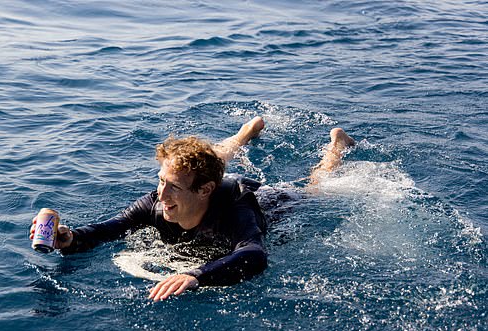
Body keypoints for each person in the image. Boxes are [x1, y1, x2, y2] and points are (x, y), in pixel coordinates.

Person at [30, 117, 355, 301]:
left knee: (316, 190)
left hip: (268, 202)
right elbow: (107, 229)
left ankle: (336, 146)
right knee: (207, 162)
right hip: (209, 185)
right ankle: (243, 135)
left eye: (172, 186)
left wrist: (196, 274)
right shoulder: (156, 202)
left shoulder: (235, 214)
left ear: (205, 191)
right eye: (160, 180)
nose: (161, 193)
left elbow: (255, 254)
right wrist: (68, 239)